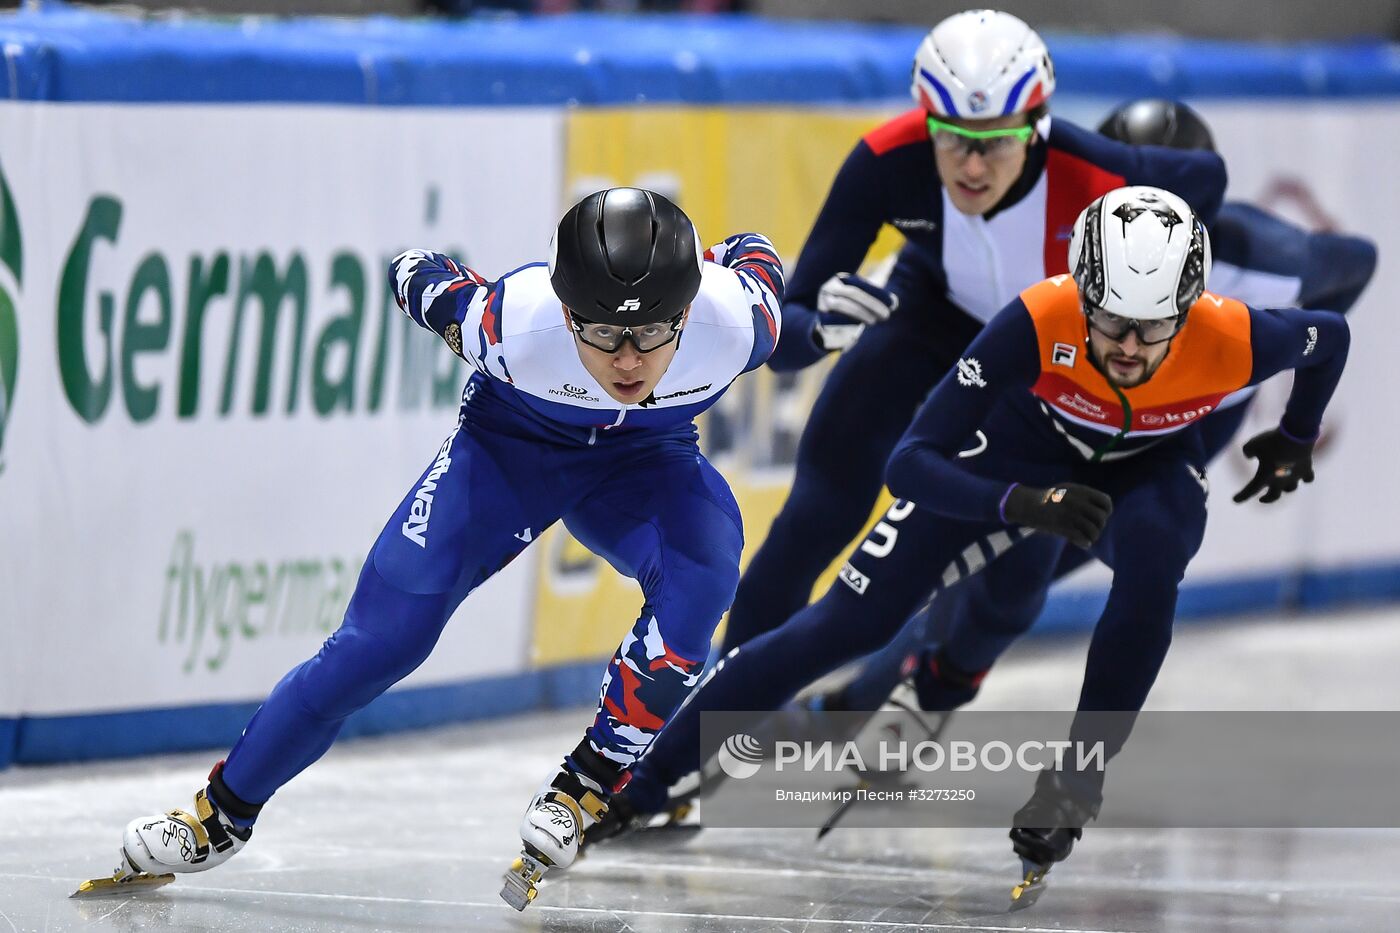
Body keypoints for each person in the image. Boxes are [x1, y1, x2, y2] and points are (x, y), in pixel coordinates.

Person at [595, 186, 1349, 901]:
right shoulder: (1037, 317)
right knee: (845, 622)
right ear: (1079, 291)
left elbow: (1332, 336)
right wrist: (1019, 502)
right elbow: (909, 461)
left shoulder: (1237, 336)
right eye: (1109, 319)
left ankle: (1076, 780)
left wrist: (1296, 435)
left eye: (1152, 327)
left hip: (1148, 467)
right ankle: (649, 779)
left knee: (1156, 563)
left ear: (1188, 312)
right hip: (1019, 454)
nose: (1125, 346)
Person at [73, 188, 787, 911]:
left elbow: (757, 255)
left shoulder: (737, 322)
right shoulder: (509, 324)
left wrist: (727, 260)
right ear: (566, 312)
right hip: (513, 452)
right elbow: (416, 273)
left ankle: (587, 783)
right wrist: (417, 272)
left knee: (704, 579)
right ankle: (219, 813)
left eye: (653, 334)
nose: (629, 361)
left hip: (646, 464)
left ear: (690, 314)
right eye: (601, 333)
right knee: (383, 641)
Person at [817, 97, 1378, 718]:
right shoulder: (1069, 257)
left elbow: (1350, 278)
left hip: (1178, 425)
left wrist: (1239, 388)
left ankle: (898, 698)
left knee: (1022, 570)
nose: (1138, 253)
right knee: (1000, 558)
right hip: (1066, 410)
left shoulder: (1266, 259)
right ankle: (876, 700)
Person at [723, 10, 1227, 677]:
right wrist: (815, 328)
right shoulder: (886, 161)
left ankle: (927, 686)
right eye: (952, 137)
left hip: (1032, 362)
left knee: (1017, 578)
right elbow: (780, 329)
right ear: (926, 120)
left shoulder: (1095, 173)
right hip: (927, 317)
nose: (971, 163)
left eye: (996, 141)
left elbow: (1208, 179)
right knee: (817, 513)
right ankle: (706, 716)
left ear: (1037, 127)